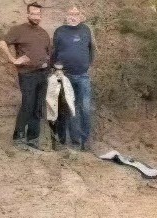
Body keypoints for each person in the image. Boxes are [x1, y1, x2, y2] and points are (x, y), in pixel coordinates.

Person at [0, 2, 49, 150]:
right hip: (27, 75)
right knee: (28, 104)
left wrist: (47, 62)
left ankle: (33, 139)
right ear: (28, 14)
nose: (36, 17)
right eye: (33, 14)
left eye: (38, 14)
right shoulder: (19, 30)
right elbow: (2, 43)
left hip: (43, 74)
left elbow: (48, 52)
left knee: (38, 106)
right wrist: (13, 59)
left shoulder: (44, 32)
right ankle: (18, 137)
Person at [51, 5, 91, 149]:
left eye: (76, 13)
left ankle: (82, 142)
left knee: (84, 108)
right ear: (65, 15)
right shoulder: (59, 31)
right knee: (64, 108)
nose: (73, 16)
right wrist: (56, 67)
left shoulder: (86, 30)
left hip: (83, 76)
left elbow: (91, 50)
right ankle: (61, 140)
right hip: (64, 76)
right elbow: (54, 52)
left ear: (81, 15)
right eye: (70, 14)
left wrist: (85, 65)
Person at [42, 56, 72, 147]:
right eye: (56, 69)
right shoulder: (49, 80)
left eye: (61, 70)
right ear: (52, 70)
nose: (59, 72)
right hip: (52, 102)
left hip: (62, 103)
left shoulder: (66, 81)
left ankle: (62, 141)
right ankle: (52, 141)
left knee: (63, 119)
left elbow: (70, 94)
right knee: (51, 119)